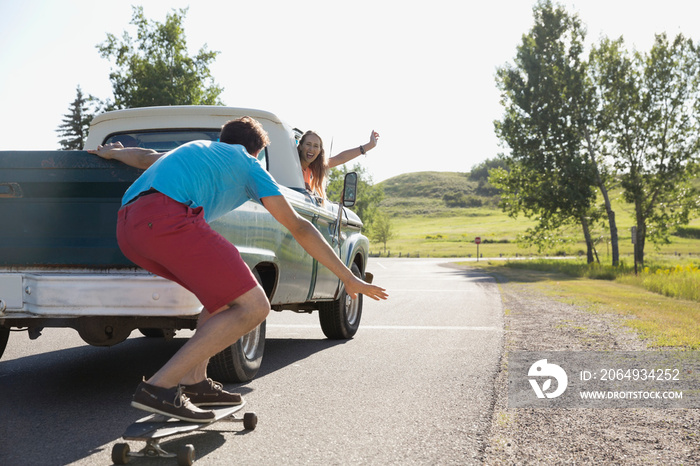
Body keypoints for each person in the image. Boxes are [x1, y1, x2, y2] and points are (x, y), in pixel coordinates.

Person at [89, 117, 388, 423]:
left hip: (129, 227)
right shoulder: (249, 164)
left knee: (223, 299)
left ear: (224, 139)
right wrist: (348, 277)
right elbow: (299, 227)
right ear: (256, 151)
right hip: (168, 218)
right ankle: (159, 388)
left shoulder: (194, 149)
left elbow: (143, 157)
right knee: (254, 305)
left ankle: (196, 381)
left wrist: (112, 152)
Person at [298, 130, 379, 197]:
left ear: (319, 151)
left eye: (316, 146)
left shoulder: (314, 168)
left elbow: (341, 158)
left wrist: (369, 145)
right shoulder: (292, 165)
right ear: (301, 146)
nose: (311, 149)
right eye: (308, 144)